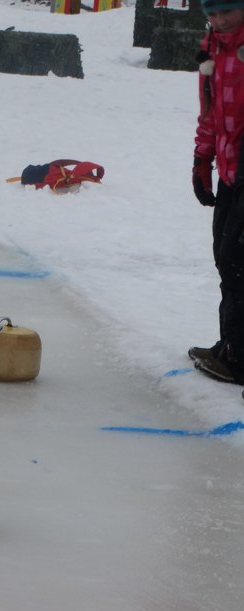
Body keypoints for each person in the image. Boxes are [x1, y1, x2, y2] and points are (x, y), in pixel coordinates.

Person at [189, 0, 244, 389]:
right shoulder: (212, 47)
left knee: (238, 260)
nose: (218, 19)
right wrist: (201, 159)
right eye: (211, 12)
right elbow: (209, 113)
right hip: (229, 172)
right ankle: (231, 347)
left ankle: (240, 358)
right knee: (226, 262)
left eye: (227, 11)